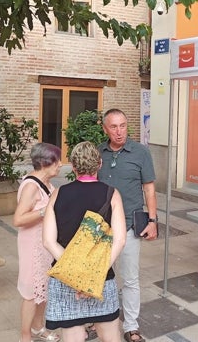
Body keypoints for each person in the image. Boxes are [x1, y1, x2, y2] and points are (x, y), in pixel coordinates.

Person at [43, 141, 126, 342]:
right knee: (111, 337)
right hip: (101, 278)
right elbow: (120, 240)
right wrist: (91, 276)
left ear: (73, 166)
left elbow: (48, 240)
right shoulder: (112, 194)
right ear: (99, 164)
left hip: (65, 279)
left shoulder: (58, 194)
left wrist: (76, 273)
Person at [97, 109, 156, 342]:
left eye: (123, 125)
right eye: (114, 127)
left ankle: (131, 326)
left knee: (130, 278)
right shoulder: (99, 153)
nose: (119, 131)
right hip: (102, 227)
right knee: (99, 275)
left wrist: (152, 220)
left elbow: (149, 189)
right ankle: (97, 319)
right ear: (105, 129)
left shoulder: (141, 152)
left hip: (130, 225)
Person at [13, 143, 63, 342]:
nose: (60, 165)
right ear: (44, 163)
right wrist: (46, 210)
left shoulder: (49, 184)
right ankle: (25, 337)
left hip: (44, 245)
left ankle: (38, 328)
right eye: (57, 161)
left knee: (43, 287)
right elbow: (18, 219)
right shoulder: (31, 186)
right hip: (32, 245)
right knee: (31, 292)